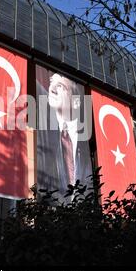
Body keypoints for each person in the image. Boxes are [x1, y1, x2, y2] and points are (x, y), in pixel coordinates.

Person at [36, 71, 93, 204]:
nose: (52, 89)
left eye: (60, 86)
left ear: (76, 102)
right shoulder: (44, 129)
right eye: (52, 82)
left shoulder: (85, 142)